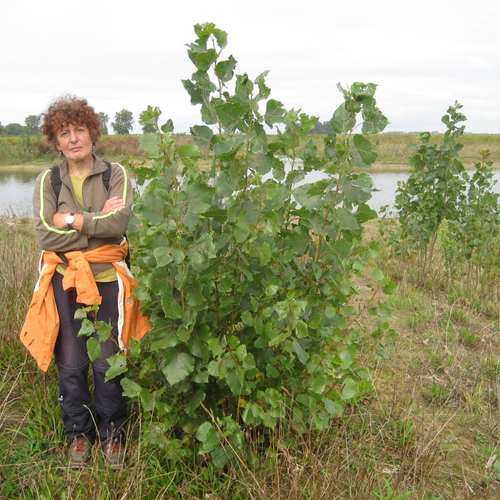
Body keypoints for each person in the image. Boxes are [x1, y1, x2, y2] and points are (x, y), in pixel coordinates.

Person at [20, 95, 150, 469]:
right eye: (64, 132)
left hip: (108, 281)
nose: (73, 138)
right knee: (73, 362)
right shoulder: (49, 179)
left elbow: (118, 225)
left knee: (110, 361)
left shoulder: (116, 175)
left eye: (80, 130)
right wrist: (93, 223)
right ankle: (79, 435)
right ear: (56, 141)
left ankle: (114, 437)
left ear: (93, 134)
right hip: (65, 284)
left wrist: (72, 220)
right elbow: (45, 236)